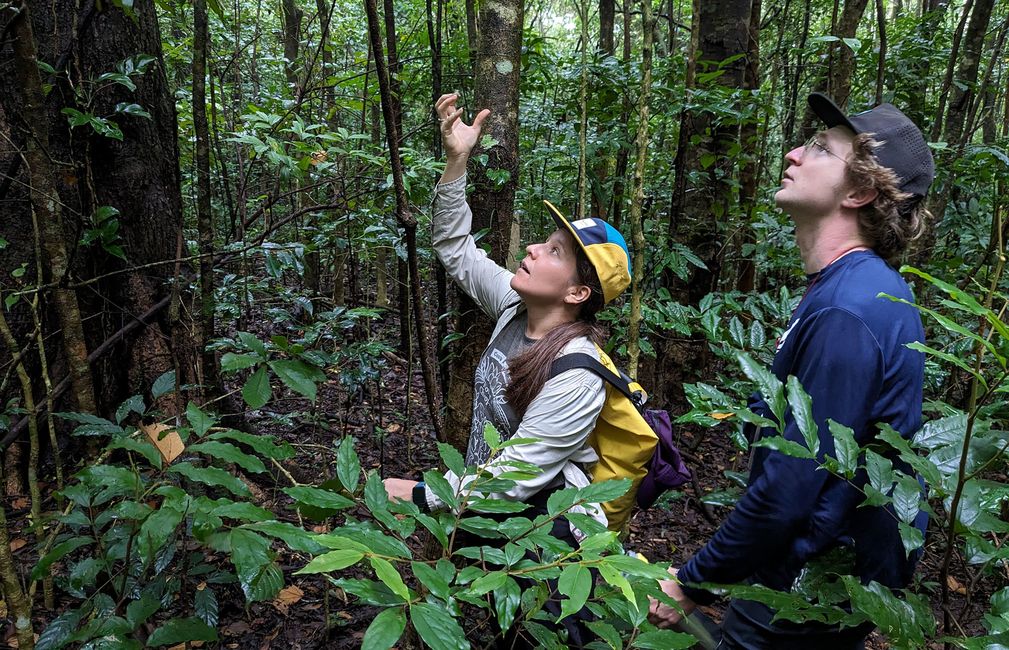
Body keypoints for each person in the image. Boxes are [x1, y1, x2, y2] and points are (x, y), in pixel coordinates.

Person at [648, 93, 934, 649]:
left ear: (860, 192)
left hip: (805, 594)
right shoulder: (850, 289)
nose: (793, 155)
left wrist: (692, 580)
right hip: (812, 584)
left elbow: (792, 488)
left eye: (820, 149)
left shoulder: (849, 308)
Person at [383, 93, 632, 646]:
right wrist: (457, 161)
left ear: (577, 291)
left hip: (544, 539)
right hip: (484, 509)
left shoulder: (579, 374)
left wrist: (417, 493)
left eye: (554, 252)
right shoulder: (513, 309)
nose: (535, 251)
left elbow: (516, 475)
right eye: (543, 242)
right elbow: (454, 247)